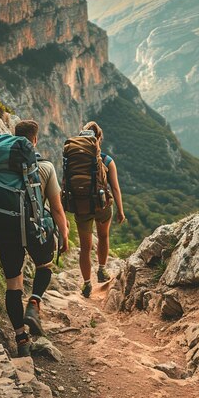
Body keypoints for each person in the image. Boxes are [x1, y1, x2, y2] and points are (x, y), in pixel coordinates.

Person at [0, 119, 69, 356]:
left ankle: (21, 339)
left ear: (15, 137)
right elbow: (57, 209)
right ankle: (35, 302)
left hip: (7, 230)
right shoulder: (46, 168)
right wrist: (65, 234)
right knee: (44, 264)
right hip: (35, 231)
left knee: (13, 283)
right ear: (35, 140)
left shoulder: (1, 166)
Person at [74, 121, 125, 298]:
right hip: (102, 205)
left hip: (80, 205)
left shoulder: (74, 158)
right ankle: (102, 270)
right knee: (103, 236)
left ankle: (87, 284)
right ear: (99, 139)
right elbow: (116, 188)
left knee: (84, 247)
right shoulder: (106, 160)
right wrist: (120, 210)